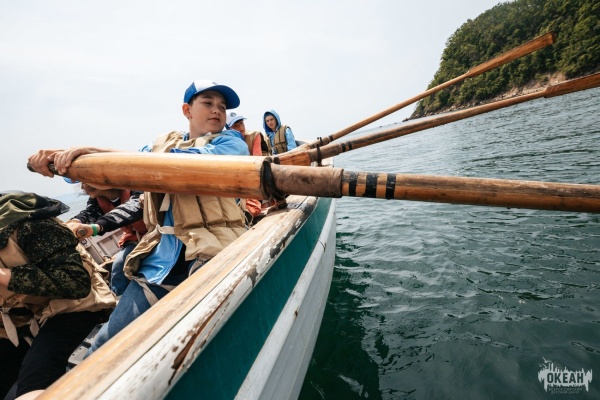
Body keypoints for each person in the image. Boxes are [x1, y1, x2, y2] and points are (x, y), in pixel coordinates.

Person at [27, 79, 249, 356]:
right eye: (208, 103)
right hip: (163, 259)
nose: (217, 110)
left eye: (222, 107)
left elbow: (173, 164)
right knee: (104, 348)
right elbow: (127, 164)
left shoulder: (231, 143)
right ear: (187, 110)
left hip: (214, 253)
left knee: (204, 342)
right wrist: (65, 160)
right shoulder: (163, 144)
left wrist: (93, 150)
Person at [0, 191, 116, 400]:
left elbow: (75, 283)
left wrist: (5, 276)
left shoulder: (29, 225)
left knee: (34, 381)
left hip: (74, 305)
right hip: (23, 316)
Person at [65, 183, 146, 296]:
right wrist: (75, 222)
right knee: (118, 266)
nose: (83, 186)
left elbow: (132, 208)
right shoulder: (97, 200)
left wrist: (96, 227)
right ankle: (118, 298)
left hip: (156, 234)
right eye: (81, 182)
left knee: (121, 264)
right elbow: (90, 213)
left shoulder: (135, 186)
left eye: (86, 181)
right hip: (134, 238)